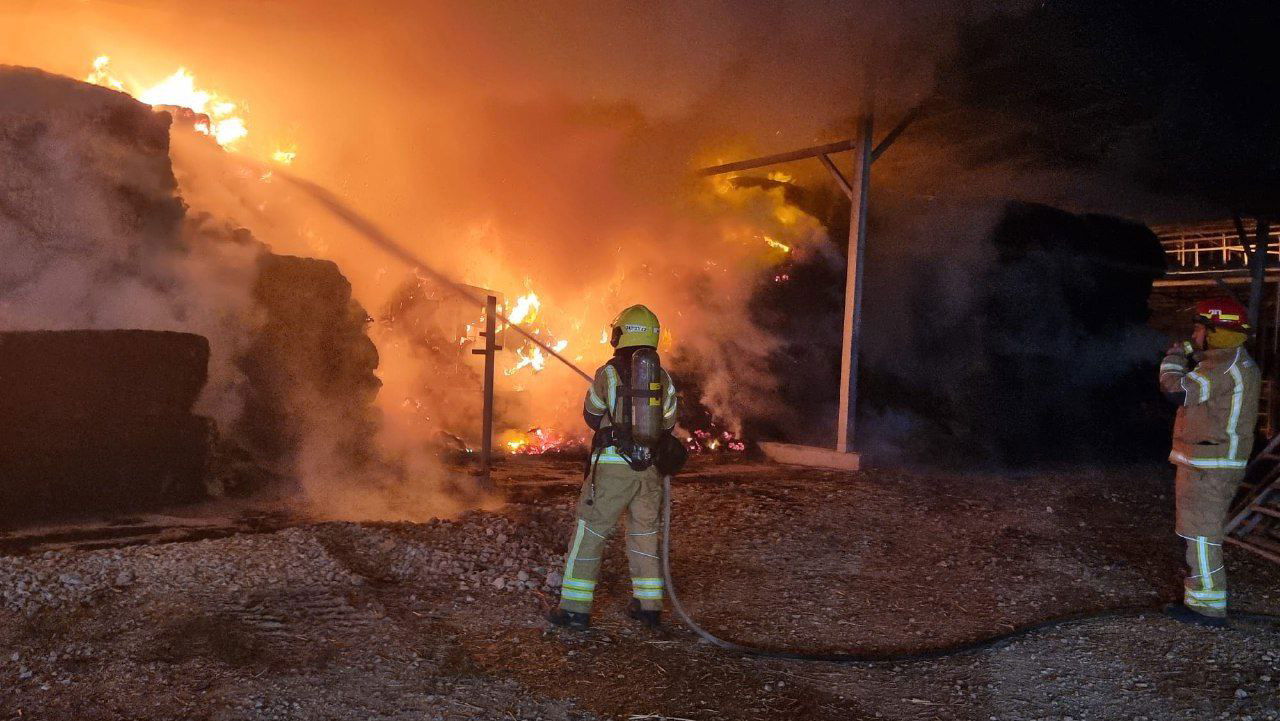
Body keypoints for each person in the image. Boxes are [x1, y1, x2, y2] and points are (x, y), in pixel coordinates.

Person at [547, 305, 678, 631]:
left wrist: (614, 413)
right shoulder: (662, 377)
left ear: (622, 335)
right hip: (649, 471)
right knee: (645, 535)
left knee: (590, 533)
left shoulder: (608, 373)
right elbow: (670, 422)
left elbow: (591, 415)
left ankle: (575, 610)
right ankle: (649, 608)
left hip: (612, 470)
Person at [1158, 297, 1261, 627]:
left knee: (1201, 534)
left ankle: (1207, 608)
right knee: (1196, 532)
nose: (1195, 333)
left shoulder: (1224, 364)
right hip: (1206, 461)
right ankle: (1200, 597)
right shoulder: (1225, 360)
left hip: (1211, 465)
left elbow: (1176, 390)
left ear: (1217, 331)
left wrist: (1175, 355)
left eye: (1200, 327)